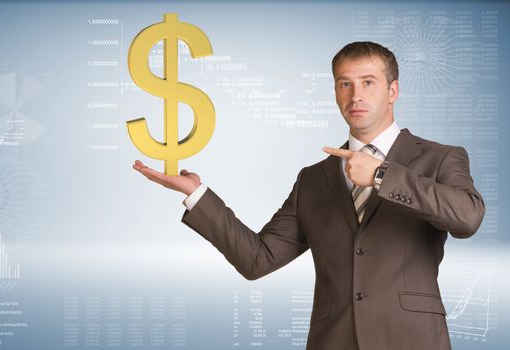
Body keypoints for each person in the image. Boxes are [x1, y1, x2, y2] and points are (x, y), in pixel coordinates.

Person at [132, 41, 485, 350]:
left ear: (393, 91)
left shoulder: (440, 157)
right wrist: (197, 194)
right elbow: (258, 259)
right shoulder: (314, 179)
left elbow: (467, 218)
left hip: (412, 340)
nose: (355, 95)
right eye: (344, 84)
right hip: (333, 341)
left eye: (368, 82)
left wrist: (380, 175)